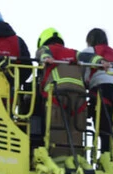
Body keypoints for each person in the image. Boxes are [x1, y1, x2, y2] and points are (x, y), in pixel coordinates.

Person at [34, 27, 89, 158]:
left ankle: (58, 159)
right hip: (80, 97)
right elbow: (87, 58)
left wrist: (46, 58)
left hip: (58, 94)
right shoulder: (73, 52)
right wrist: (100, 61)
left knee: (56, 132)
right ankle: (78, 159)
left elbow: (42, 53)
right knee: (76, 131)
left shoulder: (48, 49)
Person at [78, 28, 113, 153]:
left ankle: (105, 156)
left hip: (103, 90)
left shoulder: (91, 51)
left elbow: (81, 60)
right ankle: (110, 156)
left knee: (103, 129)